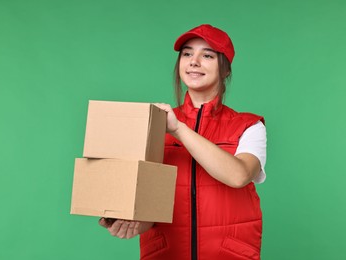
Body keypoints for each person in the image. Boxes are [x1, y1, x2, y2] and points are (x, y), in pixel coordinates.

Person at [99, 24, 267, 260]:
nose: (194, 61)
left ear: (225, 69)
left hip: (228, 254)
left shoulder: (249, 126)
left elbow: (238, 175)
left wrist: (178, 129)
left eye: (207, 55)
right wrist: (132, 220)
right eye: (187, 54)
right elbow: (151, 209)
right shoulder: (153, 125)